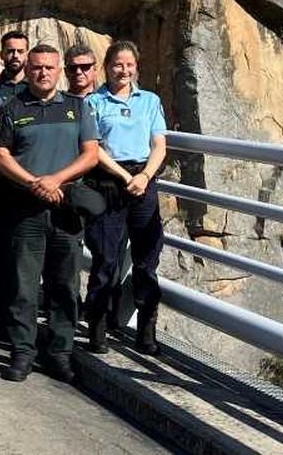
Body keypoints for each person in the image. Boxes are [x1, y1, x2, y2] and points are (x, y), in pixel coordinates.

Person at [0, 43, 100, 383]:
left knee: (64, 284)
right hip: (25, 211)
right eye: (36, 67)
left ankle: (60, 353)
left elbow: (91, 154)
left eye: (49, 67)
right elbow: (0, 155)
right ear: (28, 69)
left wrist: (55, 180)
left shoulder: (77, 108)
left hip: (65, 210)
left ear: (59, 70)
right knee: (24, 285)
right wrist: (35, 182)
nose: (42, 72)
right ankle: (22, 352)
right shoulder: (11, 108)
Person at [83, 41, 168, 357]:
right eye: (118, 64)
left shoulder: (149, 101)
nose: (124, 70)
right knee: (106, 259)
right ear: (107, 66)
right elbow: (94, 148)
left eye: (129, 65)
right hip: (109, 181)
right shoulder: (94, 102)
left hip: (143, 182)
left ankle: (146, 331)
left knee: (147, 261)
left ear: (136, 67)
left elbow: (159, 144)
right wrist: (124, 176)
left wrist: (144, 176)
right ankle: (98, 326)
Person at [0, 31, 29, 102]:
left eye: (20, 51)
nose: (15, 56)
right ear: (1, 54)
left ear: (27, 55)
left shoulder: (37, 89)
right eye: (10, 51)